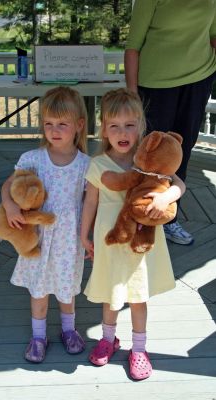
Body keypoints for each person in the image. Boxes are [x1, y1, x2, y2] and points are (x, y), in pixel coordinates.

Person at [81, 88, 185, 380]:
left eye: (130, 125)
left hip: (142, 242)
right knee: (110, 293)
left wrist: (167, 198)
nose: (122, 132)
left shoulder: (152, 160)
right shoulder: (98, 164)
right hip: (110, 239)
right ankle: (108, 338)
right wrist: (83, 235)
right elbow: (90, 202)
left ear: (141, 126)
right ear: (104, 130)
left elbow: (179, 184)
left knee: (138, 296)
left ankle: (139, 348)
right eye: (114, 126)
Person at [1, 86, 90, 363]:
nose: (54, 130)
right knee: (39, 290)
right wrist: (10, 205)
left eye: (62, 124)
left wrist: (89, 236)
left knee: (66, 289)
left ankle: (68, 329)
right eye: (48, 123)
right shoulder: (33, 159)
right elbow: (9, 185)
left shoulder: (86, 164)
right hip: (38, 239)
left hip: (68, 240)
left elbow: (91, 203)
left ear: (78, 125)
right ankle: (38, 336)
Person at [125, 0, 216, 245]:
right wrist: (132, 95)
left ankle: (168, 218)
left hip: (199, 79)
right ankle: (140, 214)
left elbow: (213, 36)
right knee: (150, 155)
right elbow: (133, 47)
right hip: (155, 85)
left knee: (181, 151)